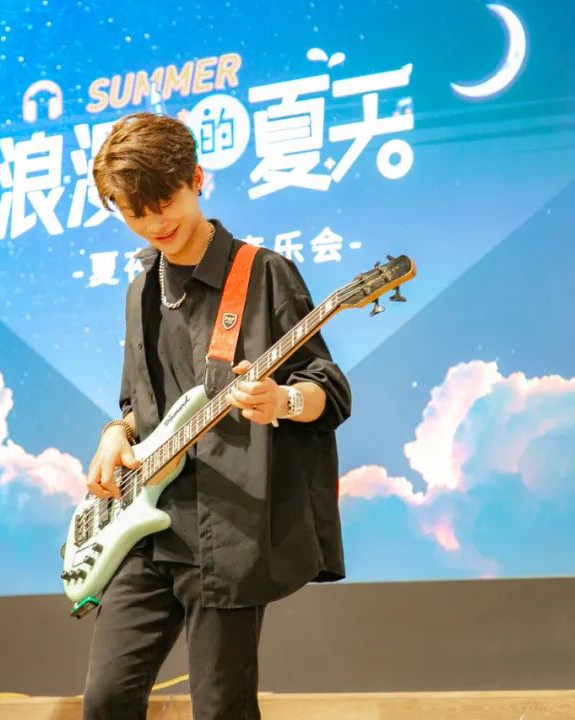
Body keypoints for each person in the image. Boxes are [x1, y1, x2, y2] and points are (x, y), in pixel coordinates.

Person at [81, 112, 352, 720]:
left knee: (221, 708)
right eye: (134, 213)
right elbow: (137, 405)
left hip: (226, 530)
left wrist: (282, 400)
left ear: (197, 179)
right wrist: (114, 434)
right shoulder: (140, 289)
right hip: (146, 526)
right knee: (105, 699)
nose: (155, 224)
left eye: (164, 202)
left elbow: (328, 388)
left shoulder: (263, 272)